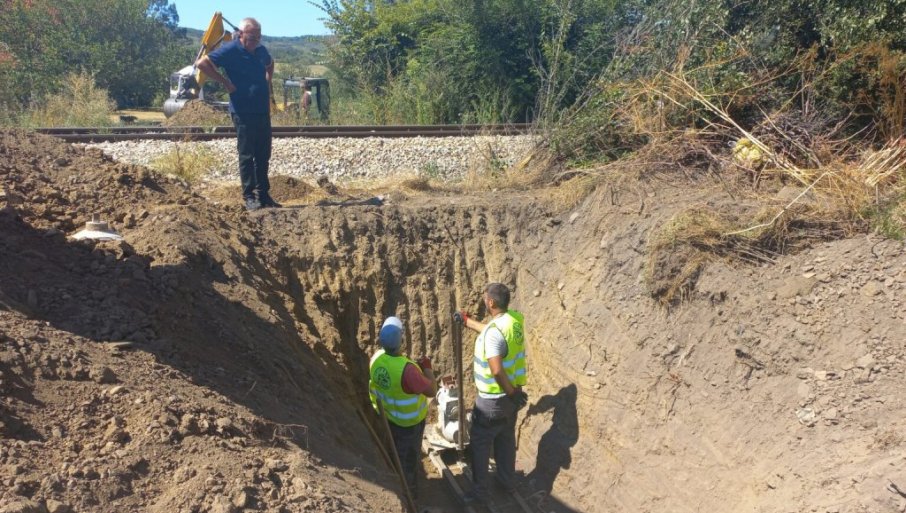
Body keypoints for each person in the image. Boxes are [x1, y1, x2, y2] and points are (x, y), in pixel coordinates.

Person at [196, 17, 280, 211]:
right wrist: (225, 82)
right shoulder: (231, 50)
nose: (256, 41)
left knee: (263, 154)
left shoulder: (261, 50)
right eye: (252, 37)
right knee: (246, 154)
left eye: (259, 37)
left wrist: (268, 80)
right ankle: (249, 196)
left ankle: (264, 194)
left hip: (261, 110)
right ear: (241, 35)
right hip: (242, 110)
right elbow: (202, 63)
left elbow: (270, 63)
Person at [458, 283, 528, 504]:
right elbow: (492, 331)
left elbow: (496, 369)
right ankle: (506, 482)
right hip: (512, 397)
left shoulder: (494, 334)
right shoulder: (514, 320)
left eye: (485, 297)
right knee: (505, 438)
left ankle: (480, 493)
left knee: (479, 444)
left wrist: (509, 392)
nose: (483, 299)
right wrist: (468, 322)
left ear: (491, 303)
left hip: (493, 400)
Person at [368, 316, 436, 499]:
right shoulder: (408, 370)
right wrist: (427, 368)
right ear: (401, 341)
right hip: (409, 425)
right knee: (409, 463)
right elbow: (431, 390)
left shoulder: (376, 358)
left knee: (397, 453)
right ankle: (409, 497)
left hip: (389, 419)